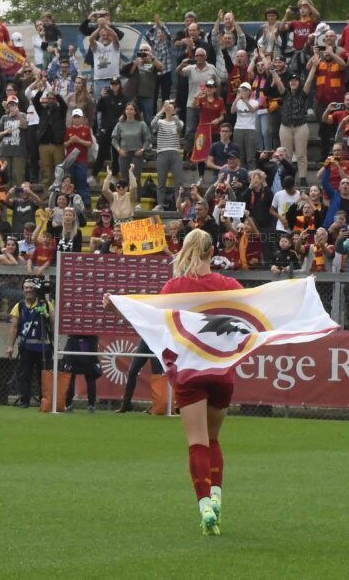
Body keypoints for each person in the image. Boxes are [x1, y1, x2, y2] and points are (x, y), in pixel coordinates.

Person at [105, 229, 241, 535]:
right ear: (211, 252)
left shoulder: (174, 287)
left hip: (189, 373)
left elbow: (148, 317)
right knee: (214, 439)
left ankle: (205, 504)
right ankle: (217, 497)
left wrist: (116, 304)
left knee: (197, 442)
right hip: (221, 372)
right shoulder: (228, 285)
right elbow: (249, 316)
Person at [7, 278, 54, 408]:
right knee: (24, 375)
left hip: (43, 346)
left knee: (43, 375)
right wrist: (10, 346)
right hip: (26, 346)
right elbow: (14, 327)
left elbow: (52, 323)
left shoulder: (45, 304)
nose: (28, 290)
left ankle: (44, 400)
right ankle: (24, 400)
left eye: (31, 287)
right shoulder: (19, 306)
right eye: (26, 288)